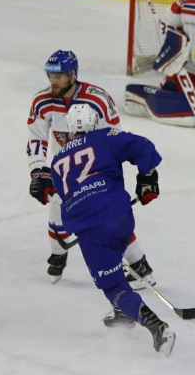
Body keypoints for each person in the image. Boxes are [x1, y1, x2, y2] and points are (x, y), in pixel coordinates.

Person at [49, 103, 175, 356]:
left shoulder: (57, 161)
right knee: (114, 256)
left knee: (113, 285)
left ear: (69, 130)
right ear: (95, 123)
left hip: (93, 229)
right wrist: (147, 176)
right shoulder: (105, 137)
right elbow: (143, 146)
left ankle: (158, 328)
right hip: (122, 217)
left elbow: (65, 198)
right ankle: (122, 314)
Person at [27, 50, 155, 288]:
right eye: (50, 76)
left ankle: (140, 266)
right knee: (56, 210)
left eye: (60, 76)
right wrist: (39, 171)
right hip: (66, 171)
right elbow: (37, 138)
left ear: (73, 74)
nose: (53, 81)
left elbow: (113, 140)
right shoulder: (42, 101)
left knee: (110, 218)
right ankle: (58, 255)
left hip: (97, 171)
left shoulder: (97, 100)